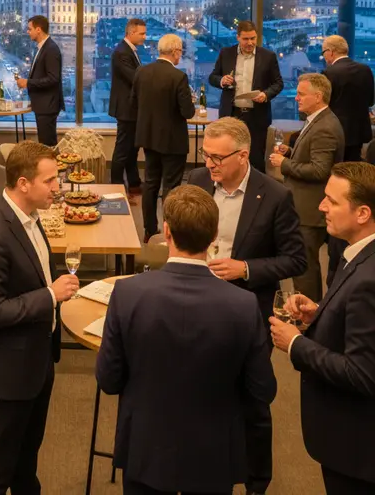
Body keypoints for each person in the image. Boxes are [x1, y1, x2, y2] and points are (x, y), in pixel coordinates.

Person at [97, 185, 277, 495]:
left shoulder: (127, 294)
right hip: (214, 455)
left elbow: (109, 380)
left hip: (145, 449)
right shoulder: (243, 305)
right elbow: (263, 389)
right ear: (214, 235)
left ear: (166, 232)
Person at [185, 117, 306, 494]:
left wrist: (247, 268)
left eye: (217, 158)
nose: (209, 164)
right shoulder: (196, 182)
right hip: (194, 306)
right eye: (205, 155)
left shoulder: (273, 195)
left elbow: (295, 259)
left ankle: (256, 480)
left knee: (251, 399)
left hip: (247, 312)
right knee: (198, 392)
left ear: (243, 155)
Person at [0, 141, 79, 494]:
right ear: (23, 184)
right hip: (8, 370)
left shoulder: (29, 218)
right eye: (50, 181)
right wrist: (50, 295)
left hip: (36, 358)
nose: (57, 187)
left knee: (26, 458)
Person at [270, 162, 375, 495]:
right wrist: (321, 315)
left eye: (331, 200)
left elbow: (363, 373)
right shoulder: (357, 255)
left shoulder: (368, 279)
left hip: (357, 450)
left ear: (362, 213)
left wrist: (296, 344)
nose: (320, 207)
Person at [270, 73, 344, 302]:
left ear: (318, 96)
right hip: (306, 206)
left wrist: (285, 164)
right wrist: (291, 153)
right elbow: (314, 159)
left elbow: (321, 171)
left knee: (305, 266)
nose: (296, 99)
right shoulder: (317, 120)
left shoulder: (325, 127)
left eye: (301, 94)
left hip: (310, 210)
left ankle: (306, 316)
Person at [131, 34, 195, 241]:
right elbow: (188, 113)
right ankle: (170, 232)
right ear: (175, 51)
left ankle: (150, 230)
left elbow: (133, 104)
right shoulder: (178, 77)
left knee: (150, 184)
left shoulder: (141, 72)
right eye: (180, 52)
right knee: (171, 187)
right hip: (172, 142)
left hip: (148, 138)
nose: (180, 56)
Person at [209, 21, 283, 172]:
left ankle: (255, 193)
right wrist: (222, 80)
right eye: (246, 39)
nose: (250, 43)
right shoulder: (226, 53)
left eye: (253, 38)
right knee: (229, 155)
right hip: (231, 114)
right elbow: (212, 77)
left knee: (255, 159)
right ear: (237, 37)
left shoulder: (268, 56)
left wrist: (266, 94)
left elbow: (278, 83)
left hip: (257, 115)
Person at [108, 18, 146, 198]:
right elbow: (134, 78)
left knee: (132, 149)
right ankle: (116, 186)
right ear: (131, 33)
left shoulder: (129, 50)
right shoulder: (121, 52)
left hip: (131, 108)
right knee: (123, 150)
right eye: (142, 33)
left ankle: (134, 184)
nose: (145, 37)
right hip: (126, 108)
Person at [322, 35, 374, 163]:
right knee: (353, 169)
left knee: (338, 170)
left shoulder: (329, 73)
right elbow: (371, 101)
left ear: (330, 51)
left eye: (323, 52)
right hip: (359, 131)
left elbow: (323, 104)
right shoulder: (365, 70)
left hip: (336, 132)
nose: (323, 56)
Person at [16, 15, 64, 147]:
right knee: (46, 144)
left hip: (47, 106)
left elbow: (53, 79)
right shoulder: (43, 47)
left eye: (29, 29)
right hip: (43, 105)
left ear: (39, 29)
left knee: (47, 146)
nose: (27, 32)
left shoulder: (51, 49)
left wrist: (28, 83)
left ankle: (52, 168)